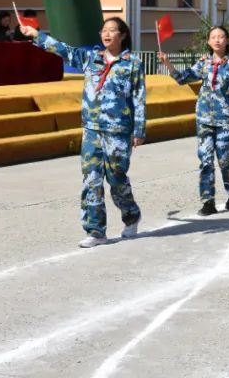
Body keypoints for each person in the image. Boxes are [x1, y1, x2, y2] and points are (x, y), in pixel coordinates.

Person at [19, 17, 146, 248]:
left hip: (118, 130)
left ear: (123, 35)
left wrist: (139, 129)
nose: (107, 34)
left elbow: (138, 98)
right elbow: (63, 50)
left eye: (112, 30)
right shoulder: (91, 58)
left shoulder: (133, 64)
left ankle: (131, 214)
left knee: (116, 179)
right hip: (92, 130)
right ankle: (96, 231)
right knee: (91, 179)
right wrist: (36, 35)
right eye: (104, 30)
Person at [163, 26, 229, 216]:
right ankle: (208, 200)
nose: (217, 40)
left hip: (226, 120)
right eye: (213, 37)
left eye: (221, 37)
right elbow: (183, 79)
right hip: (204, 120)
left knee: (224, 159)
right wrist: (168, 63)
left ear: (227, 41)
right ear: (208, 42)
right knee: (205, 160)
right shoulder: (204, 64)